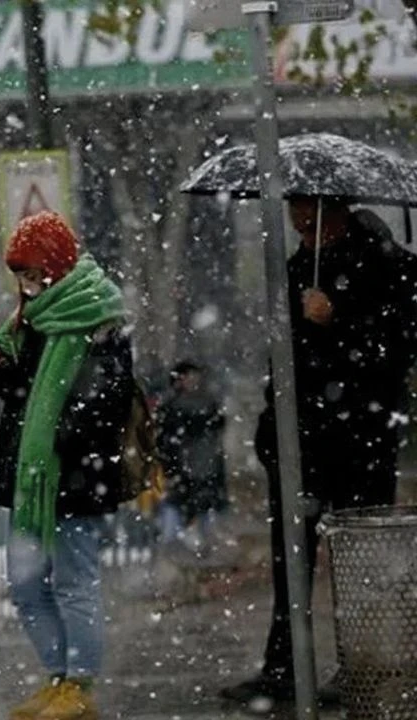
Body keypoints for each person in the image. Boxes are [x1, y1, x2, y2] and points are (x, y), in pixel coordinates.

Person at [222, 198, 417, 708]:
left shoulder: (387, 266)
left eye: (309, 213)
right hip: (300, 442)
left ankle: (362, 666)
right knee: (291, 558)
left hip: (360, 439)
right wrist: (272, 428)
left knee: (359, 563)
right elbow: (286, 358)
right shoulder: (297, 268)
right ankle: (284, 667)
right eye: (294, 211)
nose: (299, 221)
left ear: (336, 209)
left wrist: (338, 320)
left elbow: (396, 349)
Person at [0, 211, 131, 720]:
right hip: (30, 475)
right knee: (26, 584)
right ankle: (57, 677)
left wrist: (58, 433)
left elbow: (108, 400)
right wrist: (3, 372)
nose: (26, 284)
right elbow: (25, 394)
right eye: (20, 275)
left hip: (73, 474)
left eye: (32, 272)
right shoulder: (32, 319)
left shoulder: (97, 316)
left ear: (55, 265)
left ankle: (79, 683)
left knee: (75, 582)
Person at [155, 360, 227, 551]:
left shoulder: (205, 404)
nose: (193, 382)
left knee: (200, 521)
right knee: (177, 520)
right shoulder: (174, 406)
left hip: (200, 471)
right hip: (185, 471)